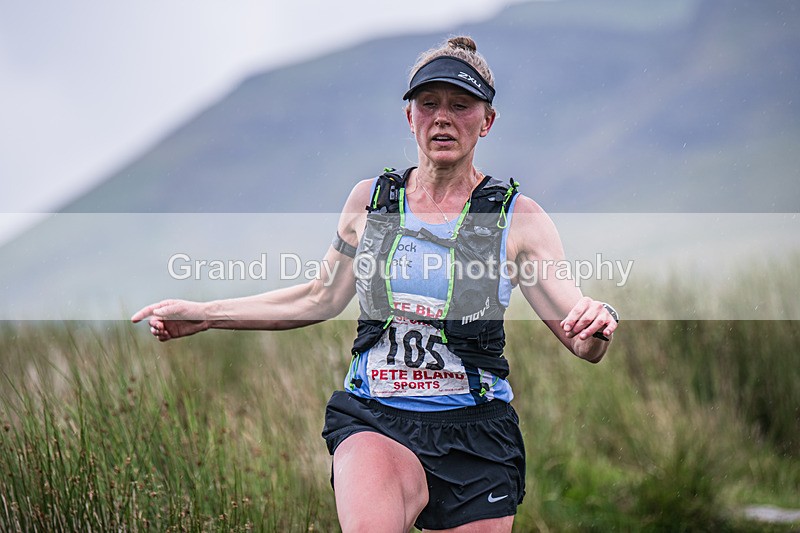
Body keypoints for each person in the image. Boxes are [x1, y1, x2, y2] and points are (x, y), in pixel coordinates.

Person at [132, 36, 619, 533]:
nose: (442, 118)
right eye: (428, 104)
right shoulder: (370, 203)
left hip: (476, 433)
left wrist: (599, 323)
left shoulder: (518, 219)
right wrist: (206, 314)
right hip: (378, 418)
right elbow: (319, 297)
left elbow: (581, 337)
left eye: (460, 105)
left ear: (487, 120)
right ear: (409, 117)